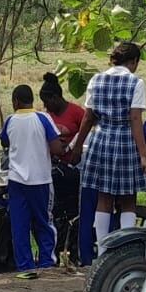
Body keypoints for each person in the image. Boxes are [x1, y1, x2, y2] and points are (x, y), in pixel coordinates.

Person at [69, 43, 146, 258]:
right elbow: (135, 119)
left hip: (101, 139)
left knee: (103, 199)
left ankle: (103, 250)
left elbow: (88, 118)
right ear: (133, 62)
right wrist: (143, 154)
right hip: (125, 141)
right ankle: (126, 251)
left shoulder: (96, 80)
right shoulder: (136, 82)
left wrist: (78, 147)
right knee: (128, 199)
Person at [0, 85, 63, 273]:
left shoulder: (10, 120)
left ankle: (24, 266)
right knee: (44, 222)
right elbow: (56, 148)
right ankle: (46, 263)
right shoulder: (43, 118)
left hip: (16, 181)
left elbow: (4, 140)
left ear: (15, 102)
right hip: (40, 179)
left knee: (19, 225)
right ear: (32, 100)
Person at [41, 72, 91, 263]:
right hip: (55, 170)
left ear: (55, 97)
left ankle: (75, 251)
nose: (46, 107)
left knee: (74, 211)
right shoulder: (47, 116)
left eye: (47, 101)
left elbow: (86, 131)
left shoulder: (77, 112)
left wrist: (73, 147)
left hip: (75, 169)